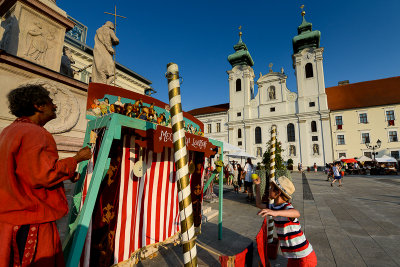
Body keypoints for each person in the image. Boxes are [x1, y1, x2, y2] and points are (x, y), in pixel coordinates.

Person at [0, 85, 92, 266]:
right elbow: (44, 174)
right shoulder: (36, 133)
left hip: (11, 218)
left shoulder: (9, 131)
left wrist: (64, 175)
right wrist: (77, 158)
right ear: (38, 106)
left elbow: (25, 172)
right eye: (51, 103)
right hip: (30, 219)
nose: (55, 107)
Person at [254, 176, 317, 267]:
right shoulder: (275, 207)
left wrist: (276, 213)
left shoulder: (286, 207)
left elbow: (296, 213)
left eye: (271, 188)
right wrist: (258, 185)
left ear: (278, 192)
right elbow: (259, 204)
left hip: (304, 258)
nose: (269, 189)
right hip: (293, 257)